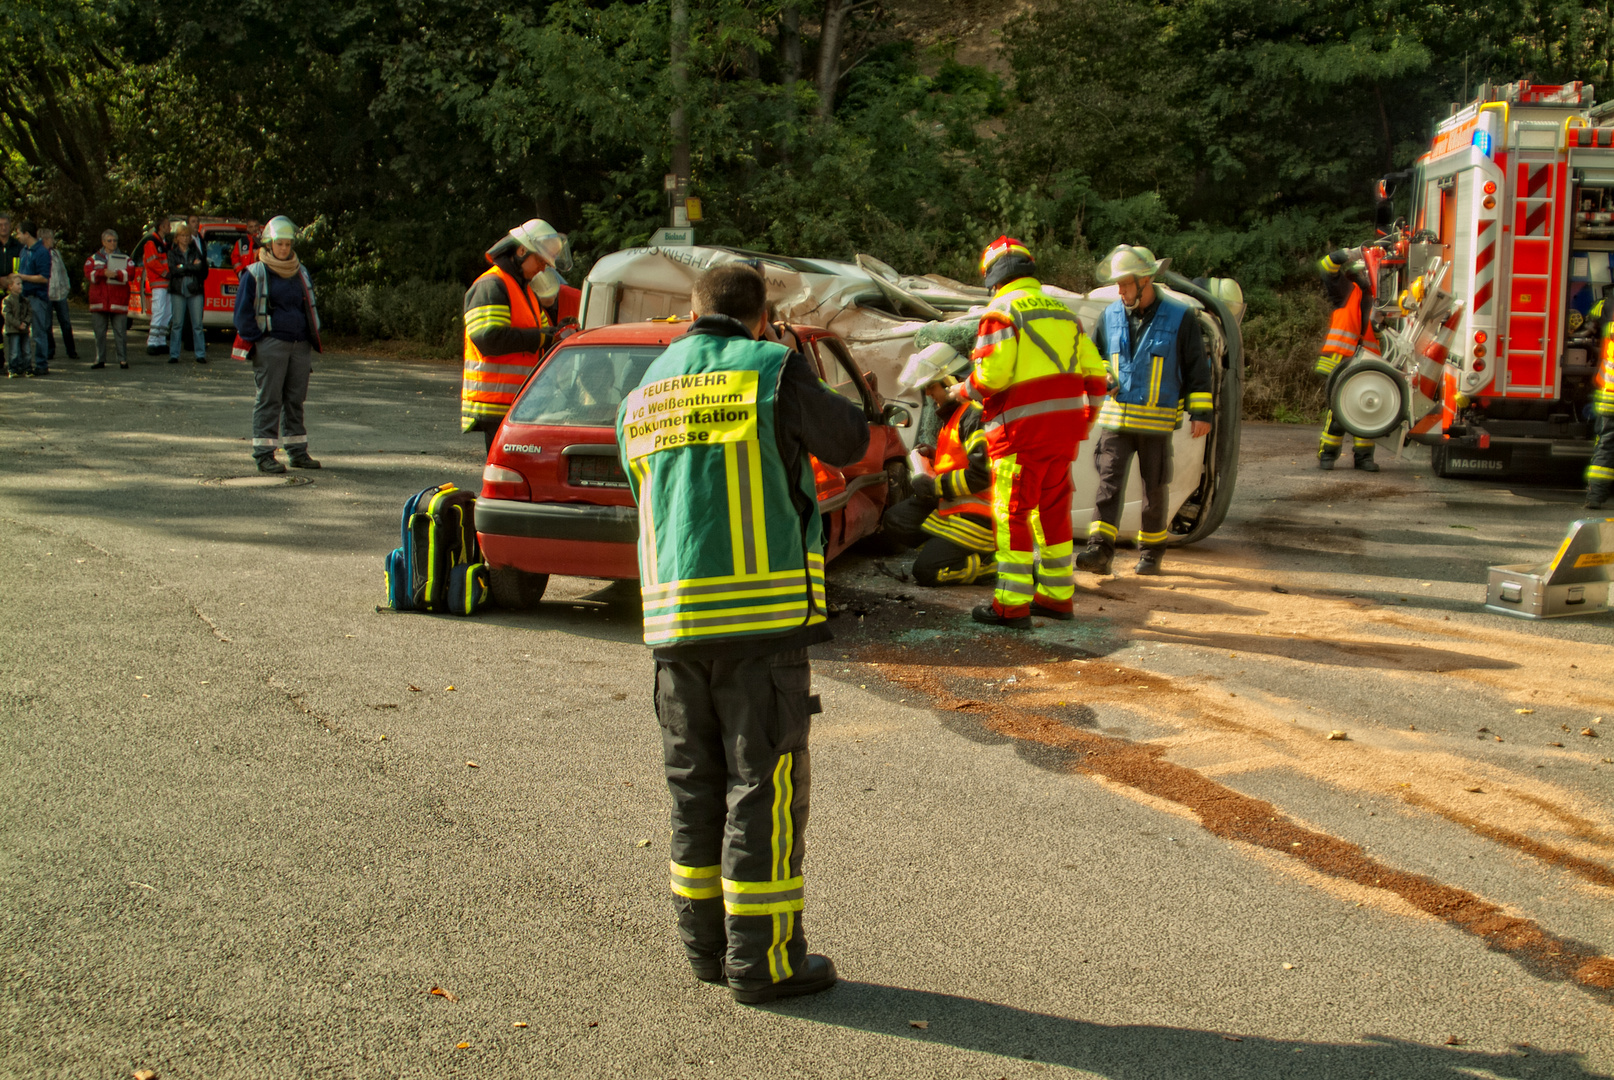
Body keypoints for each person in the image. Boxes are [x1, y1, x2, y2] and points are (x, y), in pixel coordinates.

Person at [615, 263, 867, 1005]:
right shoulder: (770, 368)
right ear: (762, 316)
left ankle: (706, 950)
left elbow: (646, 494)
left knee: (695, 787)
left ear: (693, 313)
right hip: (759, 622)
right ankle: (764, 963)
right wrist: (791, 357)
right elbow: (849, 440)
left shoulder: (646, 387)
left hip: (672, 624)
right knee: (765, 785)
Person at [953, 236, 1107, 627]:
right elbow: (1096, 377)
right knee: (1052, 513)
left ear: (992, 277)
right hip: (1062, 436)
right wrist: (1083, 423)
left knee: (1012, 515)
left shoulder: (1000, 312)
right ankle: (1056, 597)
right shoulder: (1064, 314)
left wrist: (961, 389)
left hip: (1020, 436)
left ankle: (1010, 605)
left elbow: (993, 375)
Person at [1075, 245, 1213, 577]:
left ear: (1146, 280)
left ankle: (1151, 553)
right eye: (1118, 285)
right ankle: (1099, 552)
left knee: (1154, 489)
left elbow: (1197, 367)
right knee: (1108, 484)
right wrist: (1103, 375)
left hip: (1156, 422)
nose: (1120, 291)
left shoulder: (1181, 317)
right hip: (1116, 421)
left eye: (1125, 284)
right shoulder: (1109, 316)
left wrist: (1202, 413)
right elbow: (1094, 357)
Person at [879, 342, 998, 585]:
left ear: (951, 381)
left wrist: (934, 487)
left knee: (927, 572)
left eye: (931, 387)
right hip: (955, 507)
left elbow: (982, 475)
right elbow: (961, 460)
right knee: (895, 520)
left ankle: (992, 564)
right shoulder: (957, 414)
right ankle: (945, 549)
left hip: (980, 518)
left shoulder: (974, 414)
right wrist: (933, 457)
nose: (929, 394)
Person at [462, 218, 572, 451]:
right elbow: (489, 339)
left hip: (516, 403)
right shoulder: (492, 285)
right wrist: (544, 337)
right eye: (541, 260)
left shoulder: (524, 290)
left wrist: (560, 331)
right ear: (522, 250)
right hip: (495, 403)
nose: (543, 268)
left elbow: (543, 333)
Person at [232, 216, 322, 473]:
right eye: (279, 244)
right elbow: (242, 315)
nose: (284, 248)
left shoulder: (300, 270)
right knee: (269, 400)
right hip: (271, 345)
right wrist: (261, 339)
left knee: (295, 400)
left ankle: (297, 452)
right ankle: (264, 455)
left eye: (288, 244)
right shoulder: (255, 272)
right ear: (270, 244)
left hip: (299, 345)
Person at [1313, 247, 1381, 471]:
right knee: (1339, 410)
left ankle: (1364, 457)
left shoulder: (1380, 298)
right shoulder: (1344, 290)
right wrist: (1347, 254)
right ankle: (1328, 454)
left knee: (1367, 409)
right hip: (1340, 359)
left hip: (1368, 361)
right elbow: (1325, 266)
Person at [84, 230, 133, 370]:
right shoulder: (93, 258)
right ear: (103, 242)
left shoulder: (125, 258)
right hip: (99, 301)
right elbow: (89, 274)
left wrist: (116, 274)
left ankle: (123, 360)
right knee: (99, 333)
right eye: (110, 240)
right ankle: (100, 359)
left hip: (118, 301)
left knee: (121, 333)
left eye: (115, 240)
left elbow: (131, 273)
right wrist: (102, 273)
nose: (113, 243)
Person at [13, 221, 53, 376]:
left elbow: (44, 278)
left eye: (19, 233)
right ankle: (24, 363)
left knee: (38, 332)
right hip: (23, 297)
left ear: (26, 234)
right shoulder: (24, 250)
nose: (17, 237)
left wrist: (23, 277)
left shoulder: (42, 252)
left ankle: (42, 364)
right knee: (22, 331)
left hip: (36, 297)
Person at [166, 223, 209, 363]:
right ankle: (174, 354)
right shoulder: (172, 252)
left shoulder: (196, 251)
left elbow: (200, 267)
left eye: (187, 236)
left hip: (195, 290)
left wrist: (183, 267)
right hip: (178, 290)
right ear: (177, 238)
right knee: (177, 324)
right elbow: (173, 270)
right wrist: (190, 267)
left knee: (197, 324)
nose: (185, 238)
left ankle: (200, 354)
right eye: (182, 236)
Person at [38, 229, 79, 363]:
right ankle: (50, 350)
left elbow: (62, 270)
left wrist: (67, 287)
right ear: (44, 239)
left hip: (60, 293)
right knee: (47, 324)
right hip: (46, 294)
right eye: (50, 238)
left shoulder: (56, 253)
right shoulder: (38, 254)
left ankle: (71, 350)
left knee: (66, 323)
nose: (53, 240)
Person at [1588, 311, 1614, 509]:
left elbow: (1595, 311)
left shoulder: (1611, 324)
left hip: (1608, 395)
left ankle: (1595, 495)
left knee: (1605, 446)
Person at [135, 218, 172, 355]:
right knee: (159, 312)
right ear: (161, 227)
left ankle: (161, 341)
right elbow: (152, 262)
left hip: (166, 282)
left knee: (167, 313)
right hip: (159, 282)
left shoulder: (163, 242)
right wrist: (166, 273)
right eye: (168, 225)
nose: (170, 228)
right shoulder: (152, 242)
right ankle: (152, 342)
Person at [3, 275, 31, 377]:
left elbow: (29, 313)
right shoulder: (7, 300)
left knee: (26, 350)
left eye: (21, 284)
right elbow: (7, 315)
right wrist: (18, 324)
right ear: (10, 286)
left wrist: (25, 323)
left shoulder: (25, 300)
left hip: (24, 329)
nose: (21, 286)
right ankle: (12, 369)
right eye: (18, 284)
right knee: (14, 351)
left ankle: (27, 368)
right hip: (13, 330)